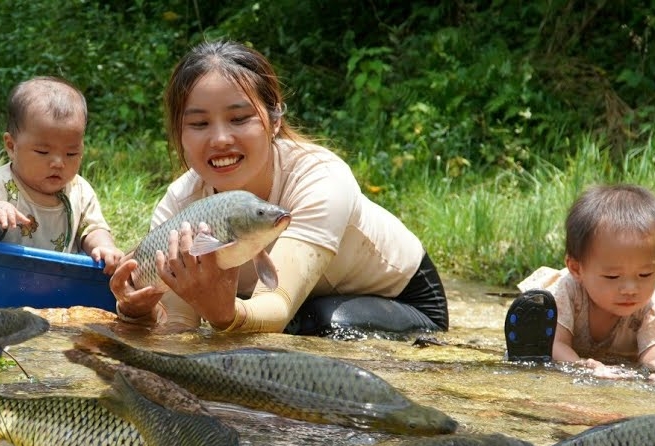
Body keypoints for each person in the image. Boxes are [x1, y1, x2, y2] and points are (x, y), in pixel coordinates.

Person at [110, 41, 449, 335]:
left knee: (310, 327)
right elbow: (178, 328)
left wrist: (225, 315)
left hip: (403, 305)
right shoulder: (179, 205)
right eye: (199, 124)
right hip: (285, 309)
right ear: (179, 135)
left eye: (240, 118)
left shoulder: (321, 178)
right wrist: (136, 311)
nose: (220, 140)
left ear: (274, 122)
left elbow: (277, 305)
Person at [504, 183, 655, 383]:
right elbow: (556, 344)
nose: (631, 289)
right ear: (577, 268)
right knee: (545, 358)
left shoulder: (651, 307)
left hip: (627, 358)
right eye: (613, 277)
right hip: (571, 352)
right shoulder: (566, 292)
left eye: (645, 274)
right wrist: (582, 366)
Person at [0, 76, 123, 271]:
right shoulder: (0, 184)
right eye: (43, 152)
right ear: (12, 146)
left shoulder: (79, 191)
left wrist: (104, 246)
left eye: (71, 153)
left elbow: (93, 228)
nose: (58, 162)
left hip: (60, 286)